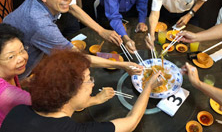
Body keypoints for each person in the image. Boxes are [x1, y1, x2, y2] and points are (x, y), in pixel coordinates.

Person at [3, 0, 142, 79]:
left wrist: (102, 31)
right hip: (10, 71)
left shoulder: (39, 1)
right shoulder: (40, 23)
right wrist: (123, 65)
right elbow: (76, 56)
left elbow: (71, 7)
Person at [0, 50, 163, 132]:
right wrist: (148, 86)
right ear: (69, 92)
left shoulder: (18, 111)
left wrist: (94, 100)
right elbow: (131, 121)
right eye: (89, 80)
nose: (92, 84)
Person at [0, 24, 31, 127]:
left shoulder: (10, 71)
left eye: (22, 50)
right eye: (11, 57)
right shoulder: (5, 94)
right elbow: (45, 104)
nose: (21, 58)